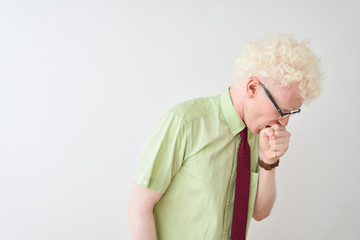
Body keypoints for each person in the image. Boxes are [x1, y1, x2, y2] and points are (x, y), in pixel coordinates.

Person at [128, 33, 322, 240]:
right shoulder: (185, 123)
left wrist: (269, 160)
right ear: (253, 88)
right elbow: (139, 208)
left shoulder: (258, 134)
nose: (283, 123)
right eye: (281, 111)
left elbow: (260, 212)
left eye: (291, 113)